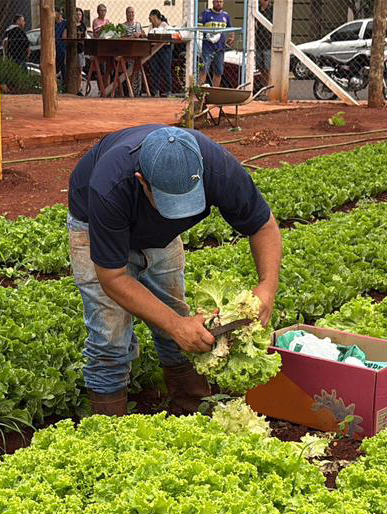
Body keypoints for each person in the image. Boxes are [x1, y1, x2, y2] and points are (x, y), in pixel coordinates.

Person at [66, 125, 282, 416]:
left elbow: (262, 225)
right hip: (94, 226)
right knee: (110, 336)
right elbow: (113, 277)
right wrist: (175, 326)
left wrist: (267, 287)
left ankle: (190, 405)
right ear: (143, 181)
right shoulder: (109, 185)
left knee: (176, 314)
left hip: (160, 237)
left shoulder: (218, 168)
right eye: (171, 203)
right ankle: (108, 429)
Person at [198, 0, 232, 87]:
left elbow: (231, 28)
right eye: (217, 1)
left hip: (220, 48)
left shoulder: (226, 15)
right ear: (213, 2)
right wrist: (208, 34)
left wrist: (231, 37)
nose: (219, 3)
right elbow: (198, 27)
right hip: (208, 47)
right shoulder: (206, 13)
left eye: (220, 1)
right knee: (204, 69)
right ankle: (199, 91)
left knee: (219, 71)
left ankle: (215, 91)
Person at [145, 9, 174, 97]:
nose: (152, 21)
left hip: (165, 49)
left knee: (166, 70)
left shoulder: (164, 25)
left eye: (153, 19)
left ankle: (168, 90)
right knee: (155, 70)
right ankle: (155, 90)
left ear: (157, 18)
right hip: (154, 49)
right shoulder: (151, 26)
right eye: (151, 19)